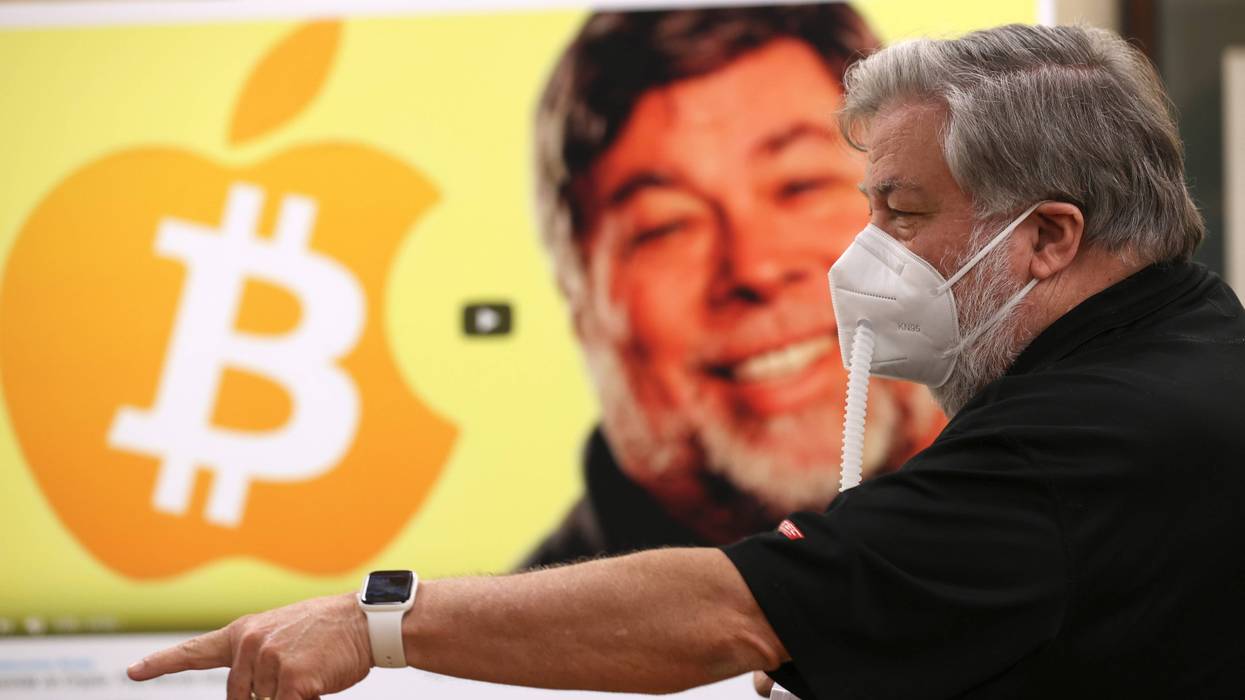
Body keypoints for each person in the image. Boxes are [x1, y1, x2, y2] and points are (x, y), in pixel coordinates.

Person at [128, 23, 1245, 699]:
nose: (800, 266)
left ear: (1048, 236)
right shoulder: (1187, 345)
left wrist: (371, 619)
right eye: (666, 224)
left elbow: (728, 609)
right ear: (581, 288)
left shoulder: (1094, 437)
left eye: (901, 212)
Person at [524, 5, 944, 567]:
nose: (754, 268)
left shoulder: (1087, 542)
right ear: (578, 299)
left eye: (800, 185)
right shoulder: (496, 654)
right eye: (666, 225)